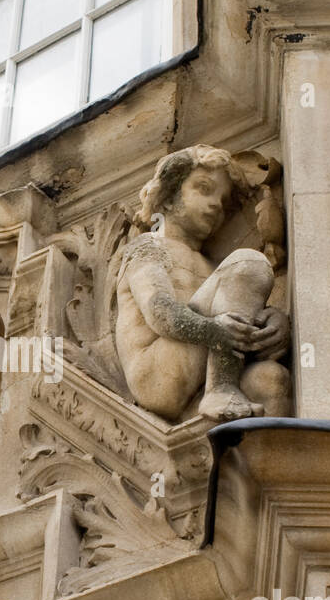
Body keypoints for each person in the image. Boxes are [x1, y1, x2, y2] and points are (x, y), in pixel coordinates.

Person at [116, 144, 291, 422]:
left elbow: (236, 320)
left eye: (222, 202)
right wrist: (213, 330)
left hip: (195, 373)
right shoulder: (149, 246)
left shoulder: (213, 268)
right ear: (169, 197)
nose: (215, 205)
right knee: (248, 262)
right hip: (156, 374)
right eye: (203, 188)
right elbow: (158, 309)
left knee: (272, 380)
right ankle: (221, 387)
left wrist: (273, 323)